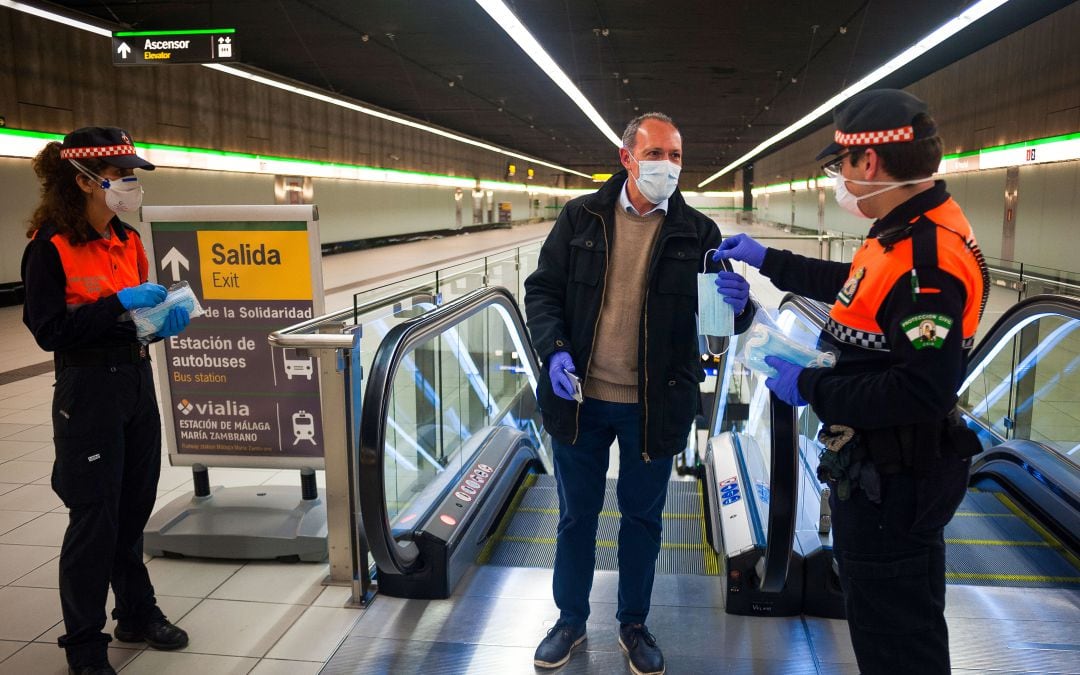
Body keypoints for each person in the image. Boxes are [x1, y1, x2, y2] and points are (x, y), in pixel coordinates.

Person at [715, 89, 988, 674]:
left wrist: (808, 387)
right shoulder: (902, 232)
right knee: (881, 626)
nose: (839, 178)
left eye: (840, 164)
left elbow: (921, 392)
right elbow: (859, 284)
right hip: (877, 477)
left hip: (898, 482)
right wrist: (771, 261)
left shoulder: (928, 263)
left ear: (869, 162)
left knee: (898, 641)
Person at [524, 112, 755, 675]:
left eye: (676, 156)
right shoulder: (581, 218)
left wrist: (741, 305)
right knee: (577, 517)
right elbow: (543, 290)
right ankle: (570, 620)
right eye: (656, 154)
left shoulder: (697, 233)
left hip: (654, 406)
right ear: (626, 158)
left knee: (643, 521)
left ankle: (633, 623)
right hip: (581, 397)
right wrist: (554, 350)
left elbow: (718, 326)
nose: (669, 166)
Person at [21, 127, 193, 675]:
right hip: (87, 392)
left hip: (134, 386)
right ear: (85, 181)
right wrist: (118, 302)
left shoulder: (128, 241)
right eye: (122, 176)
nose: (131, 185)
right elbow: (49, 332)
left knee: (132, 510)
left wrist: (158, 322)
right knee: (94, 517)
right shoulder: (48, 247)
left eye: (132, 175)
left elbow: (132, 324)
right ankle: (84, 646)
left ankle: (137, 614)